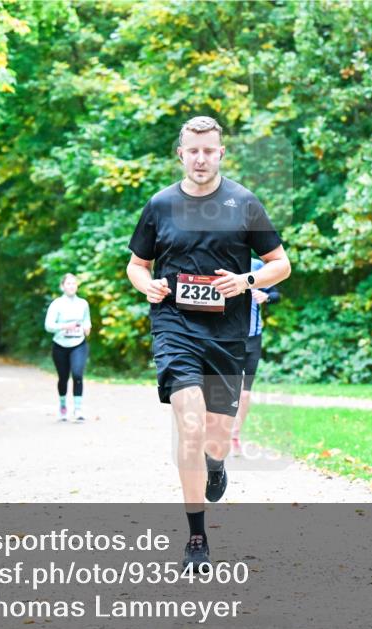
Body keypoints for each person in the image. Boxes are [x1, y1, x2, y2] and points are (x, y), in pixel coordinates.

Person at [126, 116, 291, 571]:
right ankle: (196, 537)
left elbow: (282, 264)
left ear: (221, 153)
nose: (200, 158)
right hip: (175, 327)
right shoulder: (160, 205)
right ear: (181, 154)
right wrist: (148, 286)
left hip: (227, 333)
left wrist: (248, 278)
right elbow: (137, 264)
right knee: (190, 424)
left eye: (209, 150)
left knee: (216, 436)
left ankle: (216, 466)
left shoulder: (244, 202)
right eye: (192, 150)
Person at [231, 257, 281, 454]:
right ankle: (215, 433)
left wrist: (265, 296)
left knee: (244, 392)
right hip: (225, 337)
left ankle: (234, 436)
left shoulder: (257, 266)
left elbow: (276, 294)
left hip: (252, 337)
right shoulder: (219, 259)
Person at [44, 273, 92, 422]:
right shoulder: (56, 304)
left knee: (77, 375)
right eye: (68, 283)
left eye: (74, 283)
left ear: (77, 286)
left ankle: (78, 410)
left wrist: (87, 326)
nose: (71, 286)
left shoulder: (83, 303)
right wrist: (65, 326)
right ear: (62, 286)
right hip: (60, 346)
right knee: (63, 378)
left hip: (78, 344)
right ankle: (63, 406)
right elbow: (48, 326)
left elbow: (86, 321)